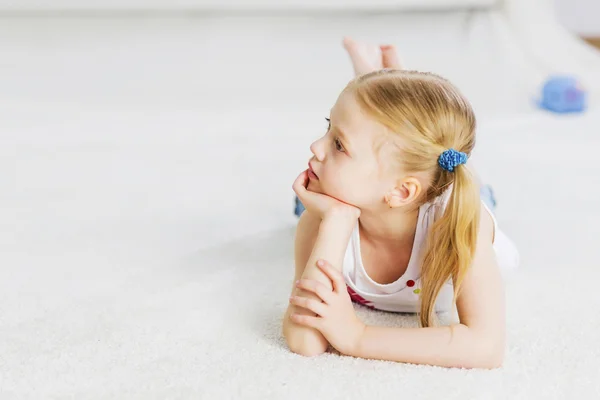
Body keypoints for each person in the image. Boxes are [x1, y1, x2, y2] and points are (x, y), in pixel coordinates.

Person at [282, 37, 519, 369]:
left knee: (468, 183)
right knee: (300, 207)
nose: (315, 147)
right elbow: (305, 340)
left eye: (339, 144)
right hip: (395, 192)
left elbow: (486, 346)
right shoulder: (322, 218)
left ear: (401, 192)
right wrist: (335, 222)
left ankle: (403, 96)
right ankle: (395, 90)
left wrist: (358, 336)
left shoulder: (460, 224)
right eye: (327, 127)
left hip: (454, 202)